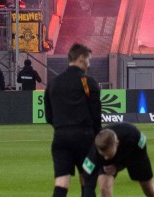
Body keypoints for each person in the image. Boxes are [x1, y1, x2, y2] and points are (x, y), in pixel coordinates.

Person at [46, 43, 102, 197]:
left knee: (61, 183)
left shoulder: (54, 82)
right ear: (81, 58)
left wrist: (62, 127)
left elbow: (48, 115)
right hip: (85, 138)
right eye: (88, 60)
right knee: (87, 181)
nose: (89, 65)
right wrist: (96, 137)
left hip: (60, 138)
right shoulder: (88, 82)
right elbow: (96, 115)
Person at [82, 125, 154, 197]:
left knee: (149, 189)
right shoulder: (94, 154)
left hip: (134, 154)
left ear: (117, 143)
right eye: (103, 155)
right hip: (109, 162)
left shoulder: (133, 136)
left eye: (108, 154)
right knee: (104, 188)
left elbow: (141, 156)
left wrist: (117, 166)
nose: (106, 158)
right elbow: (88, 185)